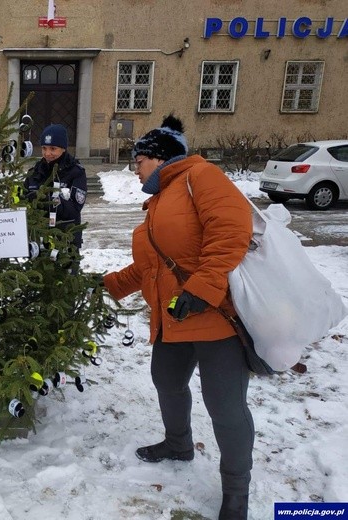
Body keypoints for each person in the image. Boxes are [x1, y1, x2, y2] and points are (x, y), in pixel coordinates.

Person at [102, 115, 254, 520]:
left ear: (160, 157)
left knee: (224, 405)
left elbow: (232, 231)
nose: (134, 169)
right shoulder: (158, 201)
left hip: (213, 316)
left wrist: (202, 290)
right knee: (167, 382)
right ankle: (178, 444)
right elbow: (152, 267)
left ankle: (236, 492)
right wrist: (108, 285)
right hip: (172, 317)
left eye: (138, 161)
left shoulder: (200, 177)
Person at [24, 124, 87, 253]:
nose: (47, 153)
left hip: (66, 242)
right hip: (38, 242)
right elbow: (23, 202)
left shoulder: (76, 172)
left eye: (53, 148)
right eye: (44, 148)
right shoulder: (34, 172)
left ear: (63, 148)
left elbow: (74, 209)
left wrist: (48, 200)